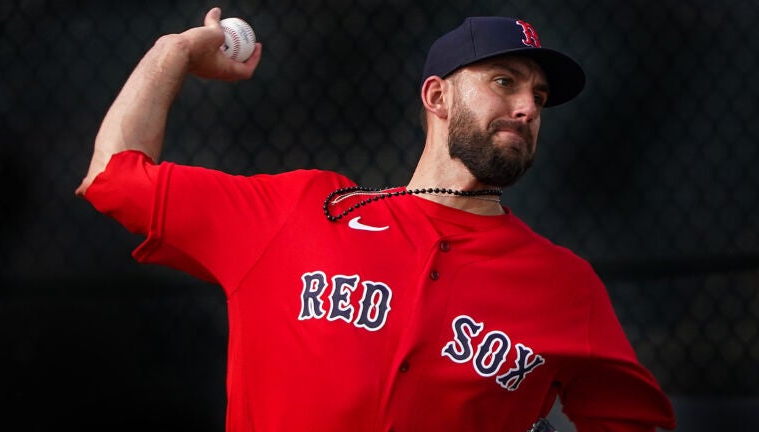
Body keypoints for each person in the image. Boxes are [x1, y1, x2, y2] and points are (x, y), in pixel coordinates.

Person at [76, 7, 676, 432]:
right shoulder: (301, 212)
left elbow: (630, 421)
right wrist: (173, 52)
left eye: (539, 98)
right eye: (504, 82)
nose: (526, 107)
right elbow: (113, 179)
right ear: (437, 98)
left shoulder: (565, 286)